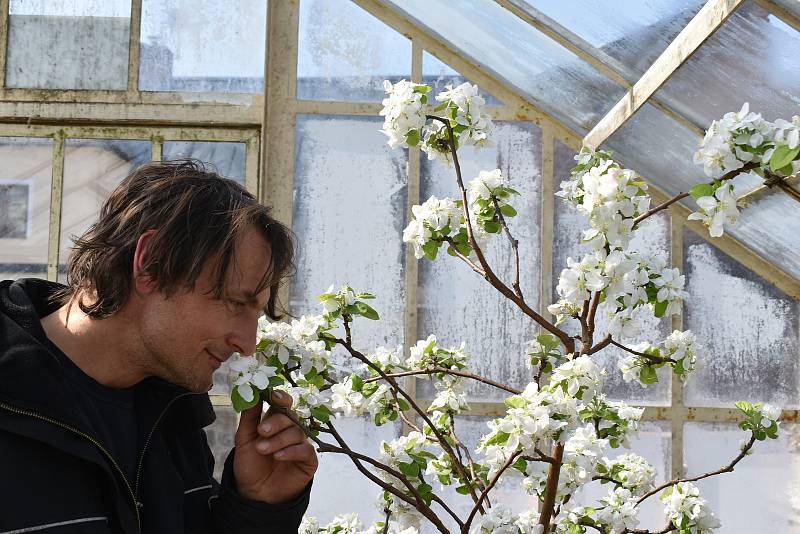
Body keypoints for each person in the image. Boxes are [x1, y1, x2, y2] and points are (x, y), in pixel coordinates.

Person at [0, 160, 317, 533]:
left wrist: (257, 508)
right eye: (235, 302)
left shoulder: (174, 417)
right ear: (151, 264)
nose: (247, 345)